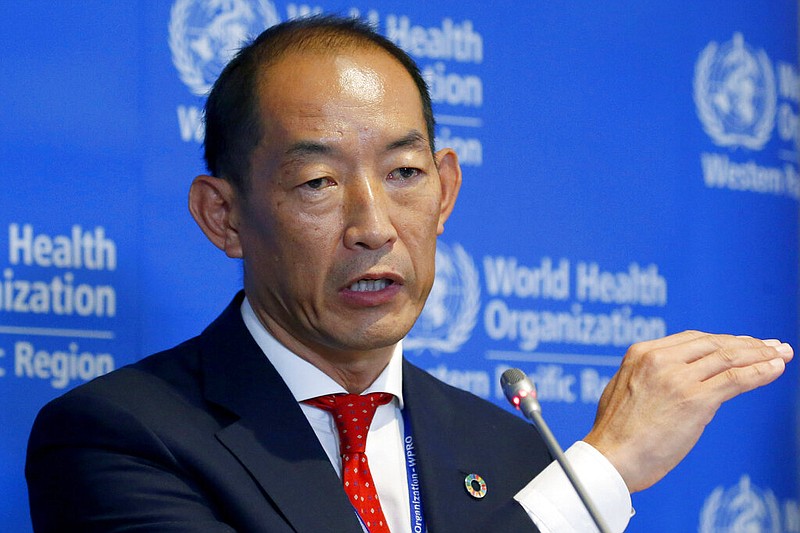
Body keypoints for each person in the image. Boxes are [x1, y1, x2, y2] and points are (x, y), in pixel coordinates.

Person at [26, 15, 793, 533]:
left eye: (403, 172)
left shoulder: (516, 451)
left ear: (447, 189)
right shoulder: (118, 439)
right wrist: (601, 472)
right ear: (223, 215)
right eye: (318, 183)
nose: (373, 226)